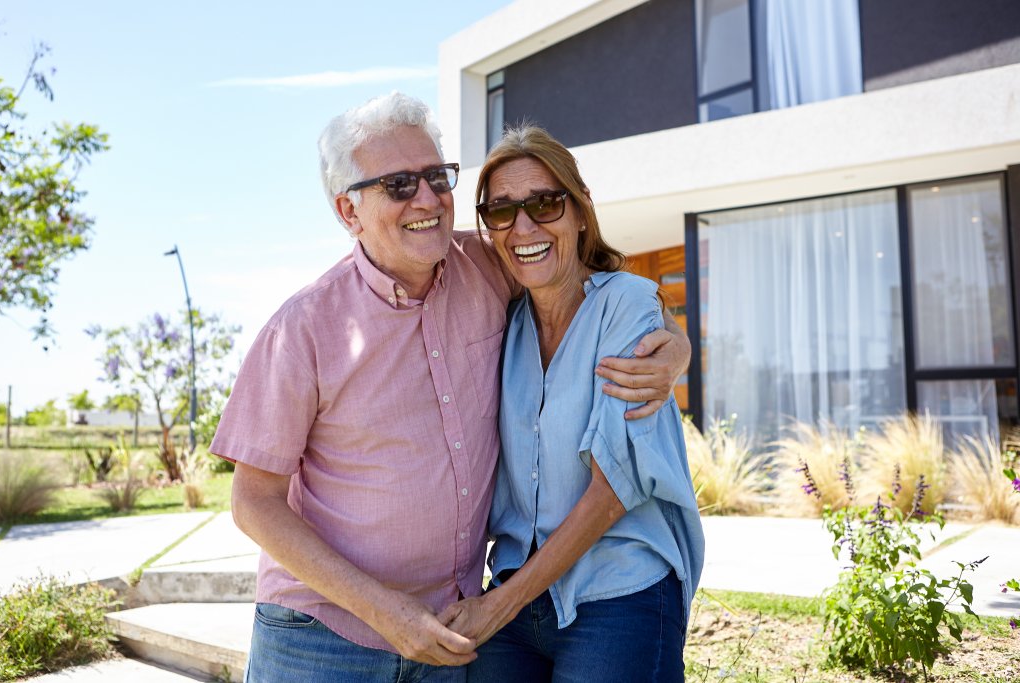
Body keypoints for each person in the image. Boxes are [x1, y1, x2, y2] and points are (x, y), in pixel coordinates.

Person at [210, 93, 690, 682]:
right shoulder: (301, 329)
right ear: (348, 210)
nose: (429, 199)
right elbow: (253, 502)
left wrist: (672, 341)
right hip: (323, 639)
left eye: (437, 177)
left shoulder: (487, 268)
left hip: (450, 632)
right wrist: (386, 613)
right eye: (398, 185)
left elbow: (588, 284)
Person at [438, 125, 705, 682]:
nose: (524, 226)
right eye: (502, 211)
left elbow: (611, 492)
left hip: (617, 591)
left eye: (544, 202)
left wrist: (495, 606)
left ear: (580, 210)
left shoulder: (627, 303)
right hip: (516, 592)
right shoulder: (503, 319)